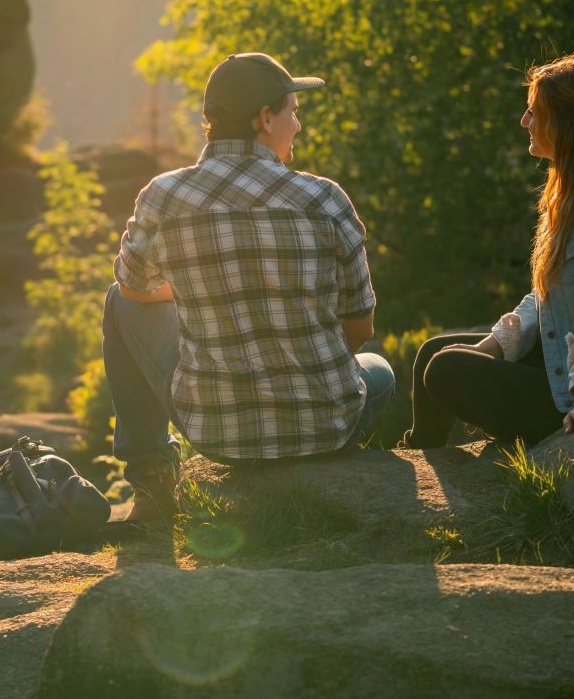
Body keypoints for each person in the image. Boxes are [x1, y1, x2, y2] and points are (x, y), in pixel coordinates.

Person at [104, 52, 394, 525]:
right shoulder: (324, 199)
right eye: (293, 112)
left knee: (117, 298)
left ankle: (152, 478)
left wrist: (202, 291)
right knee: (380, 369)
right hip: (329, 429)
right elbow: (359, 330)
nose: (298, 125)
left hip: (220, 436)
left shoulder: (163, 195)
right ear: (265, 118)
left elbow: (134, 290)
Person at [402, 53, 574, 448]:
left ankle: (544, 422)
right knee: (433, 352)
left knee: (446, 368)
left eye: (534, 112)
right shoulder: (571, 192)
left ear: (564, 123)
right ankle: (422, 454)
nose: (523, 121)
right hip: (568, 354)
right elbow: (545, 296)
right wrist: (492, 346)